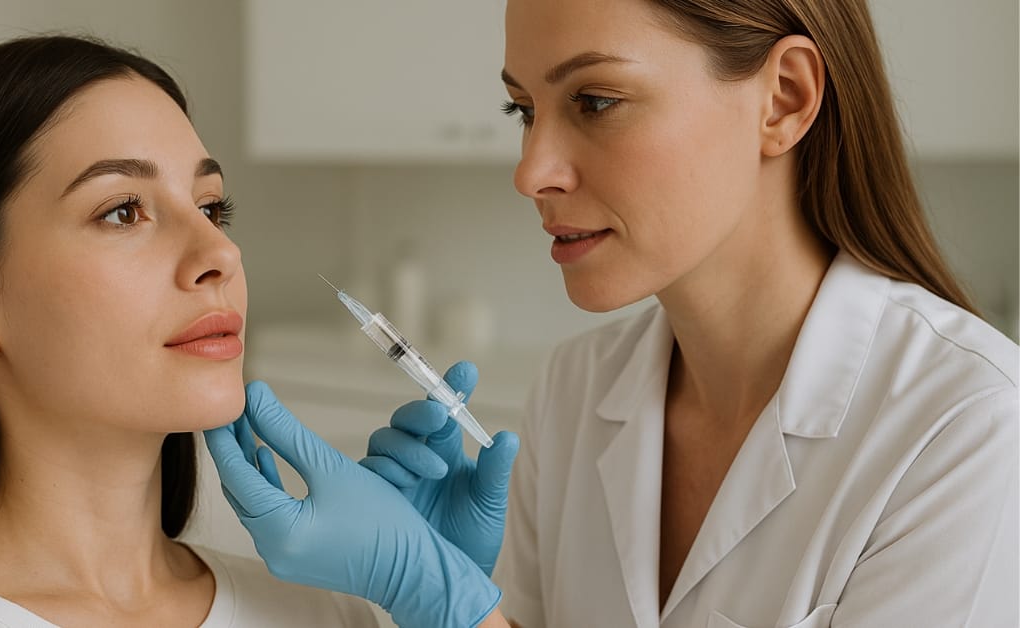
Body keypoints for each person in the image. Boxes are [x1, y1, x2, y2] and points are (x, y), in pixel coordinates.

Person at [215, 0, 1018, 626]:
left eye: (595, 101)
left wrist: (444, 603)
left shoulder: (968, 426)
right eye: (522, 110)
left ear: (783, 99)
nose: (531, 170)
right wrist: (456, 595)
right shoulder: (576, 390)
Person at [0, 35, 511, 628]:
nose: (221, 254)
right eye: (123, 211)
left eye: (212, 208)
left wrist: (449, 605)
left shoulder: (328, 611)